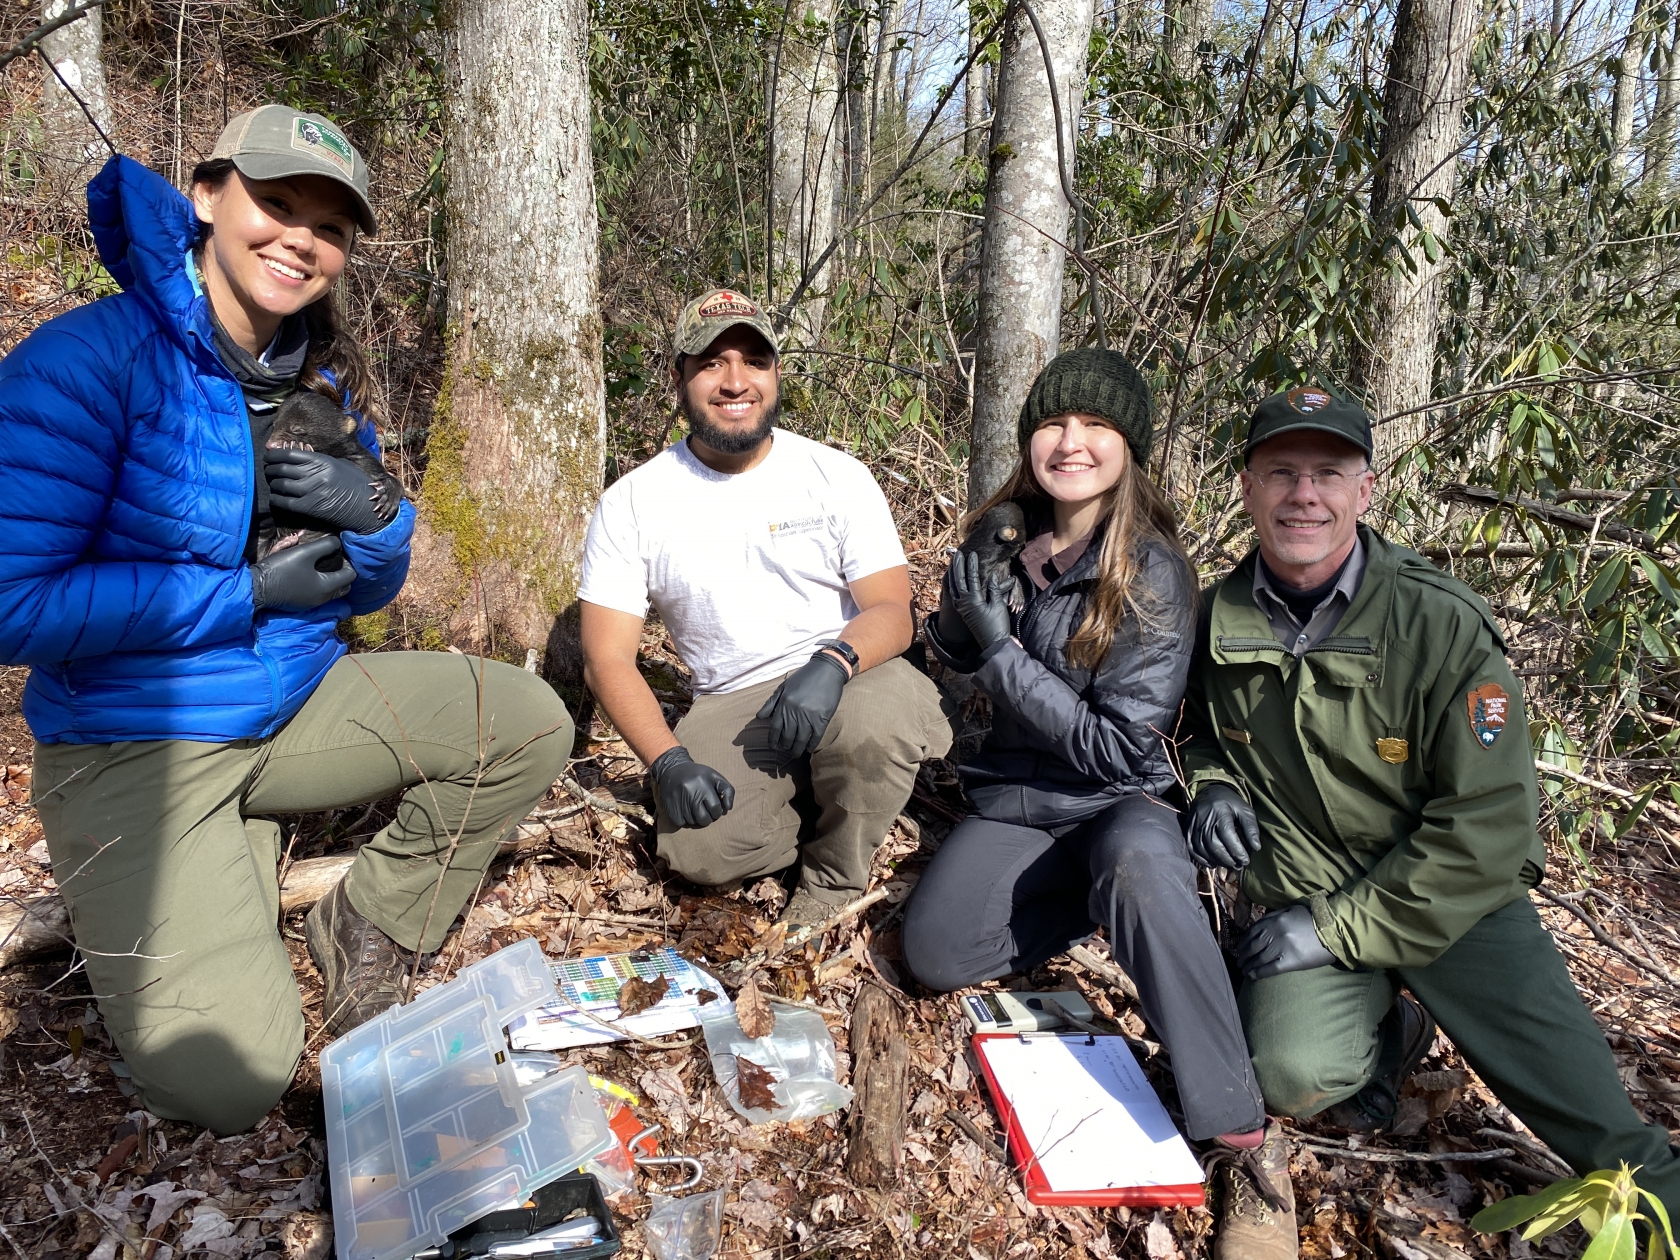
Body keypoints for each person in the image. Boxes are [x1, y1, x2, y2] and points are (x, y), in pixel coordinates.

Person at [0, 107, 571, 1135]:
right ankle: (214, 860)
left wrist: (383, 521)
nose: (299, 239)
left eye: (329, 224)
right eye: (275, 203)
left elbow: (360, 586)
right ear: (209, 197)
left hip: (298, 701)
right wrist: (246, 597)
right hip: (137, 745)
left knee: (526, 721)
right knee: (228, 1081)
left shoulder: (315, 374)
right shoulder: (85, 365)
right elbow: (12, 606)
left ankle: (367, 916)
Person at [1181, 385, 1680, 1255]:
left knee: (1608, 1136)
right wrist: (1212, 782)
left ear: (1365, 491)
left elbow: (1488, 823)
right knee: (1287, 1074)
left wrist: (1334, 930)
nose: (1305, 495)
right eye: (1281, 473)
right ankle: (1393, 1031)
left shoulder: (1438, 622)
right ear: (1249, 488)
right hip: (1309, 886)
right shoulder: (1217, 615)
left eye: (1328, 474)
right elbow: (1194, 734)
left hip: (1453, 901)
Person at [901, 348, 1276, 1256]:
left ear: (1130, 448)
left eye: (1095, 427)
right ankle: (1098, 906)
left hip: (1117, 802)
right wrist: (966, 606)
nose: (1070, 443)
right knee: (933, 951)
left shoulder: (1153, 572)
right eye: (1054, 424)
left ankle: (1239, 1135)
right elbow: (949, 653)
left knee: (1143, 873)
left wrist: (1002, 655)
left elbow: (1119, 747)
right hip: (1019, 800)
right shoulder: (1008, 532)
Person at [579, 288, 954, 928]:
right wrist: (667, 763)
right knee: (700, 851)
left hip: (848, 674)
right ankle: (817, 799)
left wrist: (834, 662)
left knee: (877, 722)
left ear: (776, 372)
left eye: (754, 360)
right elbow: (605, 657)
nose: (735, 381)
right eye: (711, 362)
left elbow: (893, 610)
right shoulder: (634, 501)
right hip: (733, 697)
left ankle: (833, 879)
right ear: (680, 378)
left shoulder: (835, 475)